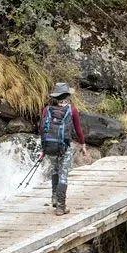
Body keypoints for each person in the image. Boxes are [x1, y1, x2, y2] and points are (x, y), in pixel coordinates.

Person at [38, 82, 85, 215]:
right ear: (67, 96)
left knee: (54, 170)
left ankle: (54, 197)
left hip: (50, 146)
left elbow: (42, 129)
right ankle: (60, 206)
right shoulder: (72, 110)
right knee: (63, 174)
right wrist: (83, 144)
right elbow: (78, 129)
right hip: (64, 147)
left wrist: (43, 149)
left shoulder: (47, 110)